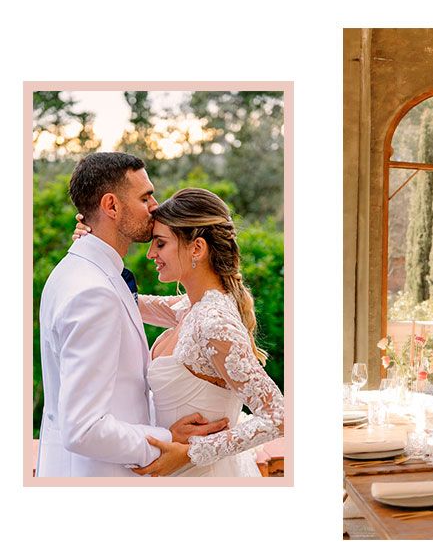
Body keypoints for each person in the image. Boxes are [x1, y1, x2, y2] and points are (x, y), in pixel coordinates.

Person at [36, 151, 234, 477]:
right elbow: (83, 428)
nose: (155, 206)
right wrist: (167, 438)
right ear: (111, 206)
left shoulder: (74, 272)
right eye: (145, 197)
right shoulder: (94, 292)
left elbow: (121, 394)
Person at [122, 188, 286, 477]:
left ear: (196, 248)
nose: (150, 254)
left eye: (160, 244)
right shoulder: (189, 307)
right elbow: (127, 302)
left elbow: (279, 417)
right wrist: (94, 245)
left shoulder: (213, 322)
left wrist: (191, 452)